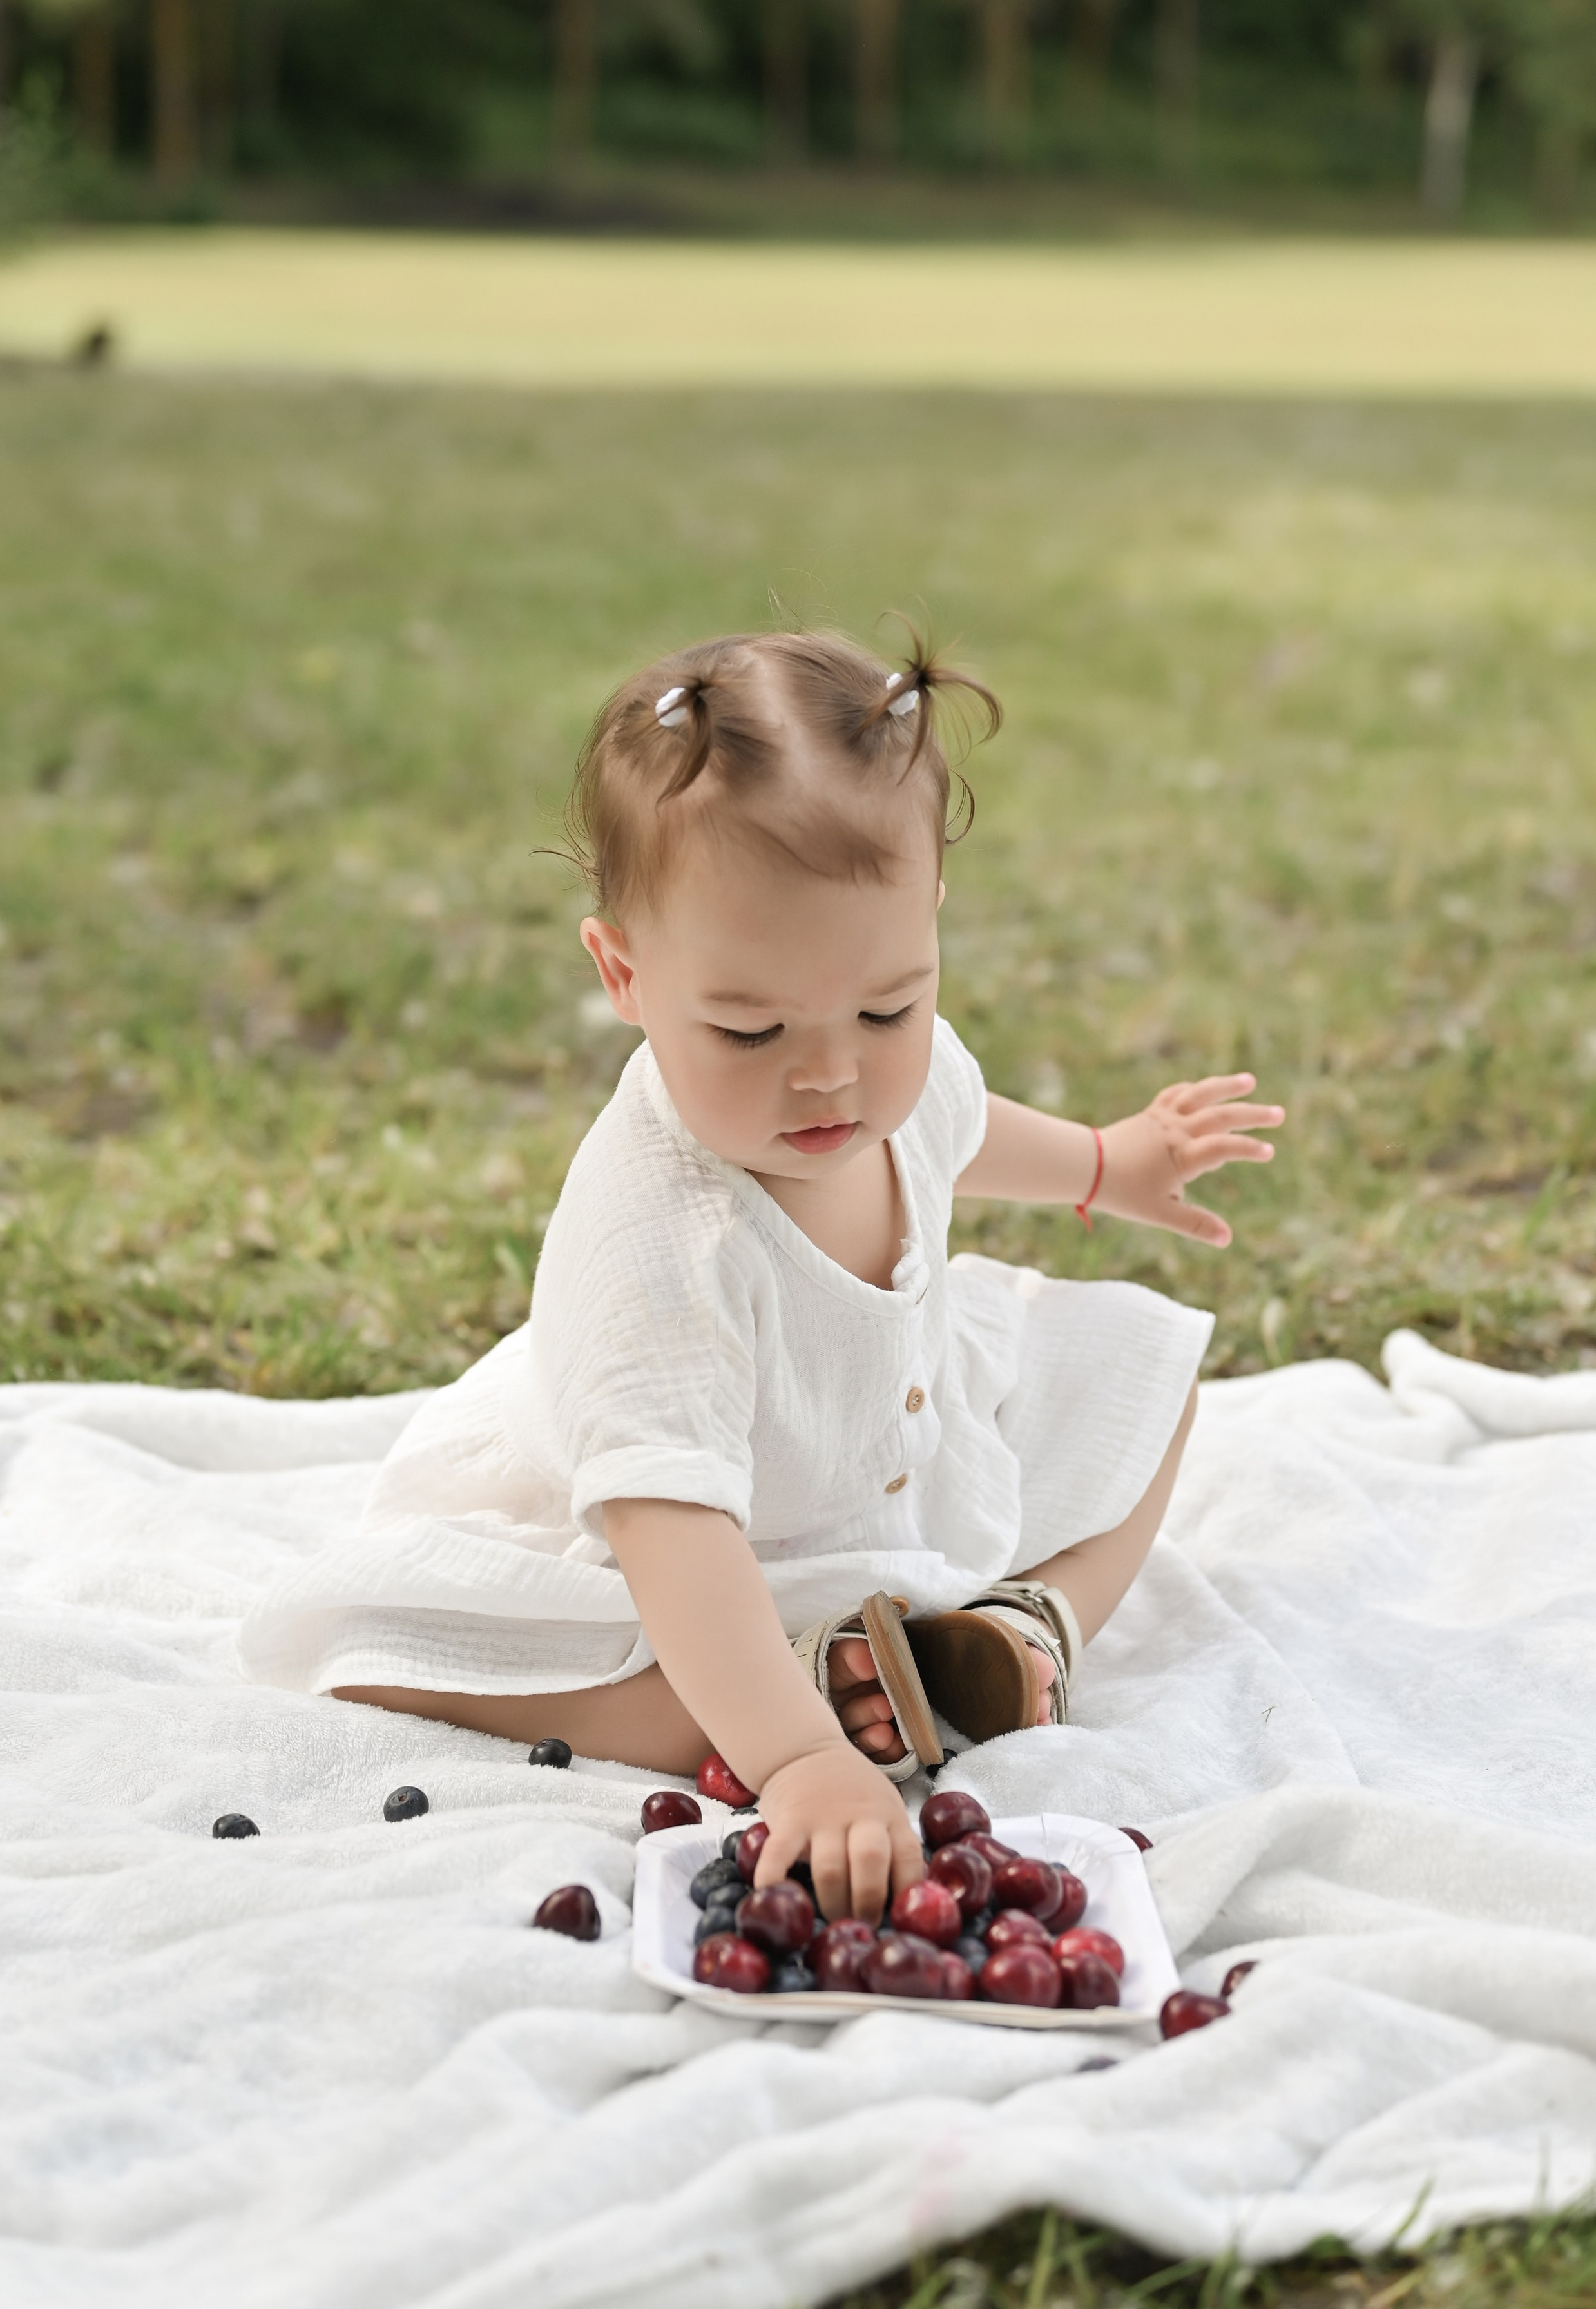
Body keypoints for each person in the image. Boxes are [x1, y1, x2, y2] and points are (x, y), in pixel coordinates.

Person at [238, 628, 1283, 1923]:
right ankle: (796, 1689)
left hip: (882, 1447)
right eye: (749, 1029)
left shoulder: (887, 1064)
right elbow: (674, 1533)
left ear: (928, 929)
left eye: (887, 1009)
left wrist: (1101, 1164)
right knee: (513, 1659)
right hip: (676, 1536)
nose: (830, 1073)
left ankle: (1023, 1630)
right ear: (624, 973)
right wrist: (798, 1759)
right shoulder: (662, 1242)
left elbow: (958, 1118)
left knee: (1146, 1373)